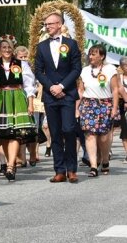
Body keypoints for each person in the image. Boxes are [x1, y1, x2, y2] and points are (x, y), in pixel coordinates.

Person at [33, 11, 83, 183]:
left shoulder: (72, 44)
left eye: (51, 24)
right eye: (46, 24)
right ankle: (59, 170)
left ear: (60, 25)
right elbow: (38, 71)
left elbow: (76, 69)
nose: (47, 27)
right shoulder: (42, 46)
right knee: (54, 133)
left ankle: (72, 169)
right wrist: (51, 87)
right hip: (50, 95)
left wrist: (61, 86)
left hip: (67, 94)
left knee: (69, 130)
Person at [0, 35, 36, 181]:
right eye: (4, 47)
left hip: (17, 98)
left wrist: (30, 103)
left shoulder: (21, 64)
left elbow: (29, 85)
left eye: (9, 47)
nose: (7, 50)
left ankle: (11, 165)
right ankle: (8, 163)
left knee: (15, 133)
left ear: (13, 49)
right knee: (4, 134)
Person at [77, 45, 119, 176]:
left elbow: (115, 90)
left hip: (105, 104)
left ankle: (105, 160)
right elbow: (81, 90)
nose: (90, 57)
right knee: (90, 135)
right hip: (88, 104)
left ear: (102, 56)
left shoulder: (110, 69)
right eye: (90, 54)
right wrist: (77, 107)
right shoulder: (84, 70)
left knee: (104, 138)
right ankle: (94, 166)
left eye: (94, 54)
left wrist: (114, 108)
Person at [14, 45, 40, 167]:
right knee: (19, 129)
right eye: (21, 57)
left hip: (31, 99)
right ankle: (21, 158)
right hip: (17, 99)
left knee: (32, 128)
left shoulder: (32, 67)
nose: (24, 59)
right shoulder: (14, 66)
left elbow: (34, 84)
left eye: (25, 56)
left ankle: (33, 153)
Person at [116, 57, 127, 163]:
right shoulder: (119, 77)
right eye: (126, 65)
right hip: (123, 106)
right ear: (121, 66)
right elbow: (116, 90)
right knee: (125, 130)